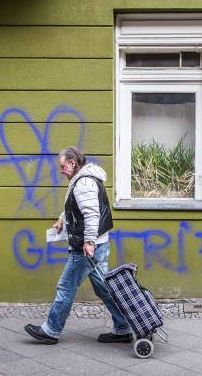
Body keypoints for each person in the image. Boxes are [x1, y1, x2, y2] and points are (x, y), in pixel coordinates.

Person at [24, 147, 132, 344]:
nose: (61, 170)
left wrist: (89, 241)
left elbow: (91, 215)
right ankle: (123, 328)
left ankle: (51, 330)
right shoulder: (84, 179)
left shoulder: (84, 182)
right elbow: (76, 208)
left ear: (73, 163)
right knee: (104, 289)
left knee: (65, 287)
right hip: (99, 245)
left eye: (63, 166)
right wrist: (60, 220)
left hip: (87, 248)